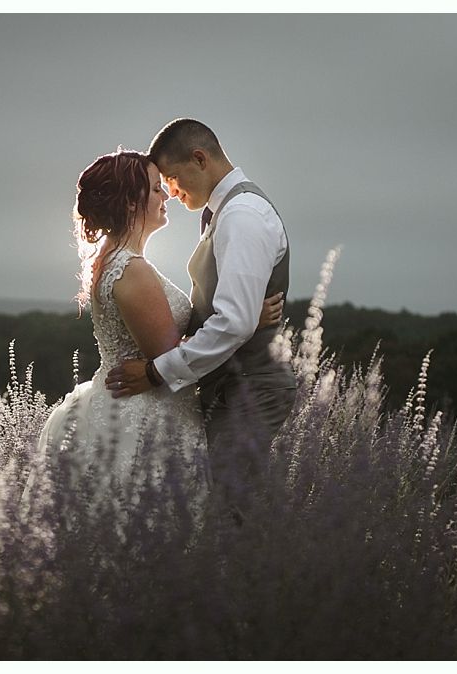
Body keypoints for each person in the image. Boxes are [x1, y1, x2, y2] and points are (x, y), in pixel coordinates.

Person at [29, 148, 283, 529]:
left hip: (125, 407)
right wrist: (244, 319)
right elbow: (168, 358)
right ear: (131, 202)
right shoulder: (131, 270)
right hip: (148, 416)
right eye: (155, 189)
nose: (166, 196)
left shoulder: (112, 260)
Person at [105, 119, 298, 525]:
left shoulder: (242, 216)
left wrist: (156, 372)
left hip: (249, 389)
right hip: (227, 388)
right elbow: (235, 315)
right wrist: (242, 318)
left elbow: (234, 323)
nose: (171, 193)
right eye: (163, 185)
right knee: (219, 513)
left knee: (229, 518)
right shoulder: (224, 213)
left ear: (199, 158)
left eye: (172, 179)